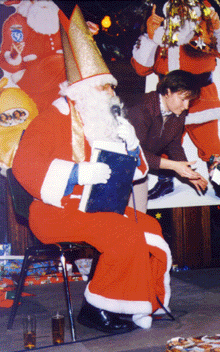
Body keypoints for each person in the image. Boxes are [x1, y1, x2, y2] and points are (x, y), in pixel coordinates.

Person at [12, 5, 172, 333]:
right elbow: (23, 166)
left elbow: (135, 174)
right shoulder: (52, 119)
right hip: (53, 211)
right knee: (123, 233)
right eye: (104, 89)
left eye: (110, 88)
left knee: (150, 227)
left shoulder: (106, 121)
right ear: (82, 92)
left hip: (98, 208)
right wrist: (75, 173)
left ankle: (142, 302)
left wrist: (131, 146)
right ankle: (96, 307)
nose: (110, 95)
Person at [132, 0, 220, 163]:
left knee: (212, 150)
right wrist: (150, 38)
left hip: (201, 99)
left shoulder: (205, 30)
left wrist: (219, 30)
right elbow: (141, 69)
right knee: (161, 150)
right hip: (168, 101)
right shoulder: (158, 32)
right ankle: (165, 182)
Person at [125, 69, 208, 212]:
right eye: (183, 99)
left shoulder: (179, 112)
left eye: (190, 101)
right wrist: (174, 166)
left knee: (138, 217)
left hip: (140, 170)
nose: (186, 106)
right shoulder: (141, 108)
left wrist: (188, 172)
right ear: (167, 92)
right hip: (119, 167)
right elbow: (135, 153)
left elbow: (173, 144)